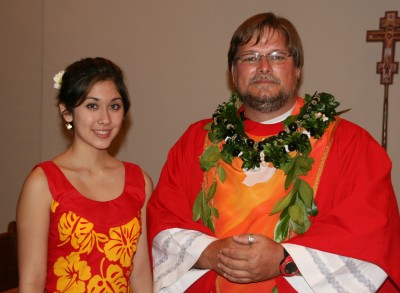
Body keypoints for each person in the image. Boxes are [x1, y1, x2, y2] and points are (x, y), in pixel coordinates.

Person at [147, 12, 400, 292]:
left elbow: (370, 235)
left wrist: (284, 259)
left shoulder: (351, 145)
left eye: (278, 56)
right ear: (233, 72)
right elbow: (164, 223)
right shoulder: (196, 142)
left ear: (298, 69)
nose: (264, 66)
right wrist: (209, 253)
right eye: (250, 57)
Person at [17, 57, 153, 292]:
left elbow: (140, 273)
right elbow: (31, 282)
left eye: (114, 106)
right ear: (67, 113)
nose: (105, 119)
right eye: (92, 106)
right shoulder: (42, 183)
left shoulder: (139, 181)